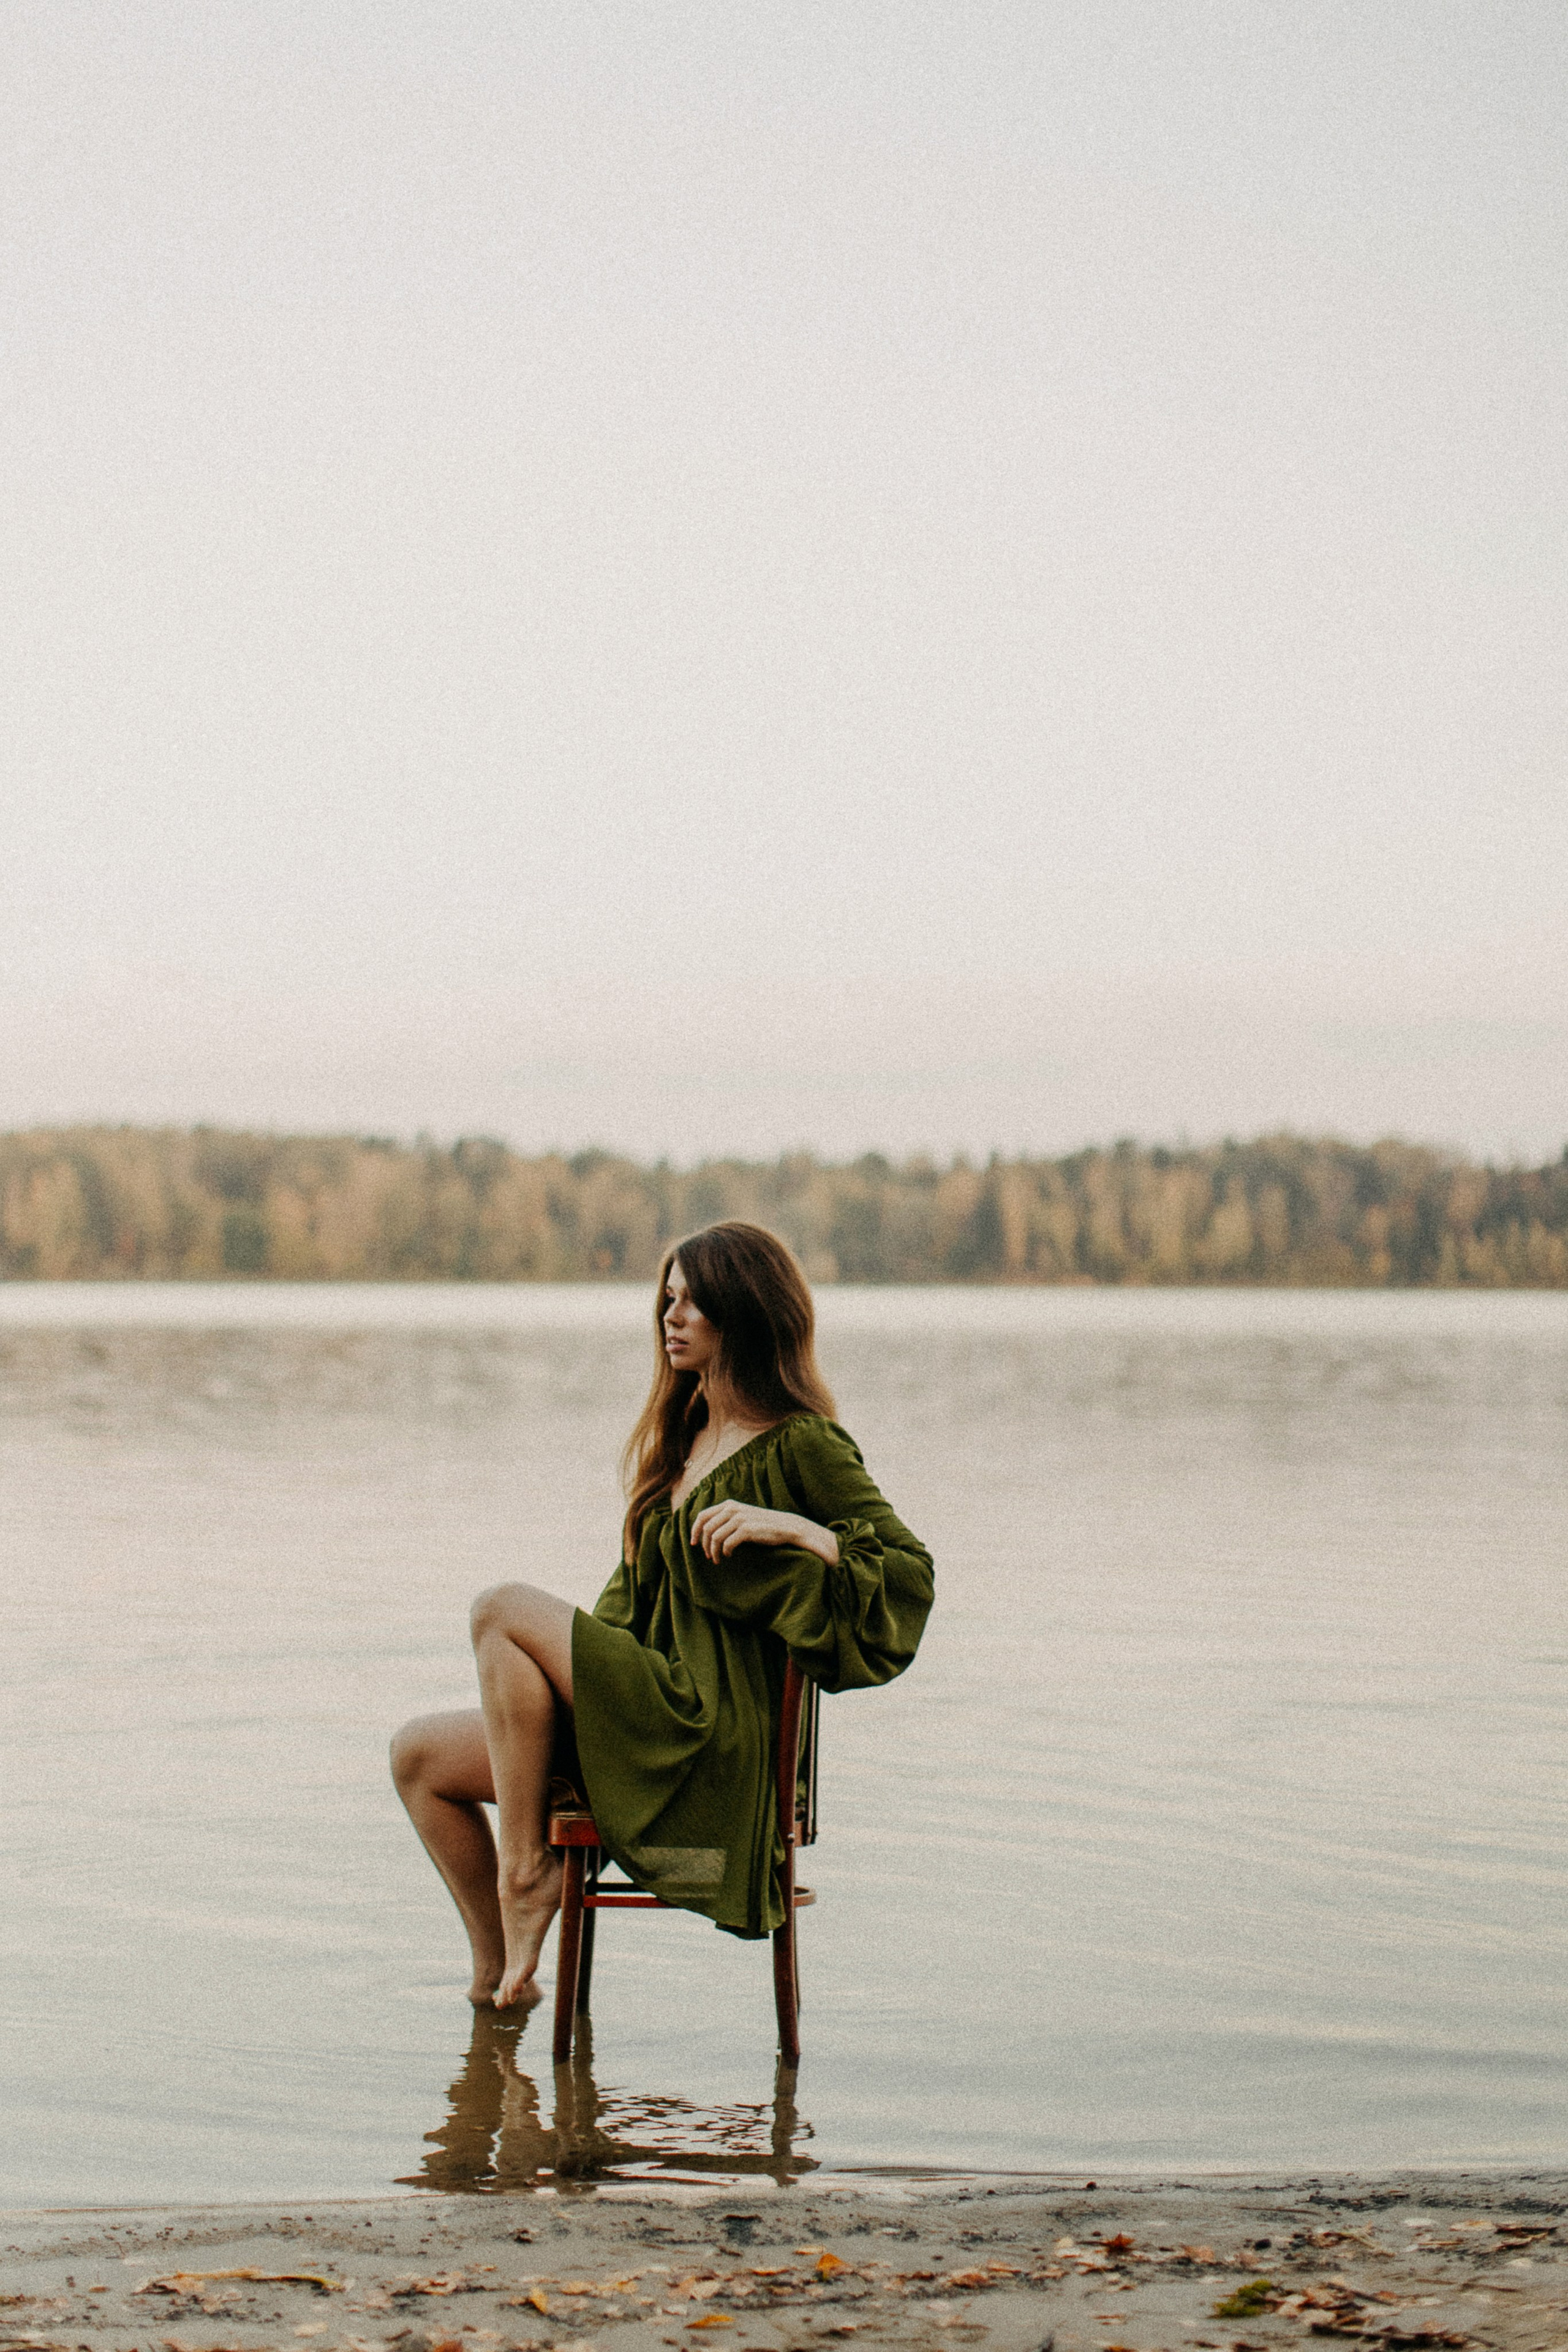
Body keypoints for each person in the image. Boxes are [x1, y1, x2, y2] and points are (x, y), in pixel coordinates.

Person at [390, 1221, 934, 2011]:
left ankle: (527, 1876)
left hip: (706, 1732)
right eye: (667, 1300)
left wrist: (800, 1530)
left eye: (694, 1303)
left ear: (741, 1314)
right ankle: (495, 1981)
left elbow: (908, 1577)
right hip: (644, 1709)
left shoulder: (804, 1445)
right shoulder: (680, 1447)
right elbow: (624, 1615)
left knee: (500, 1611)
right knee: (418, 1758)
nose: (671, 1318)